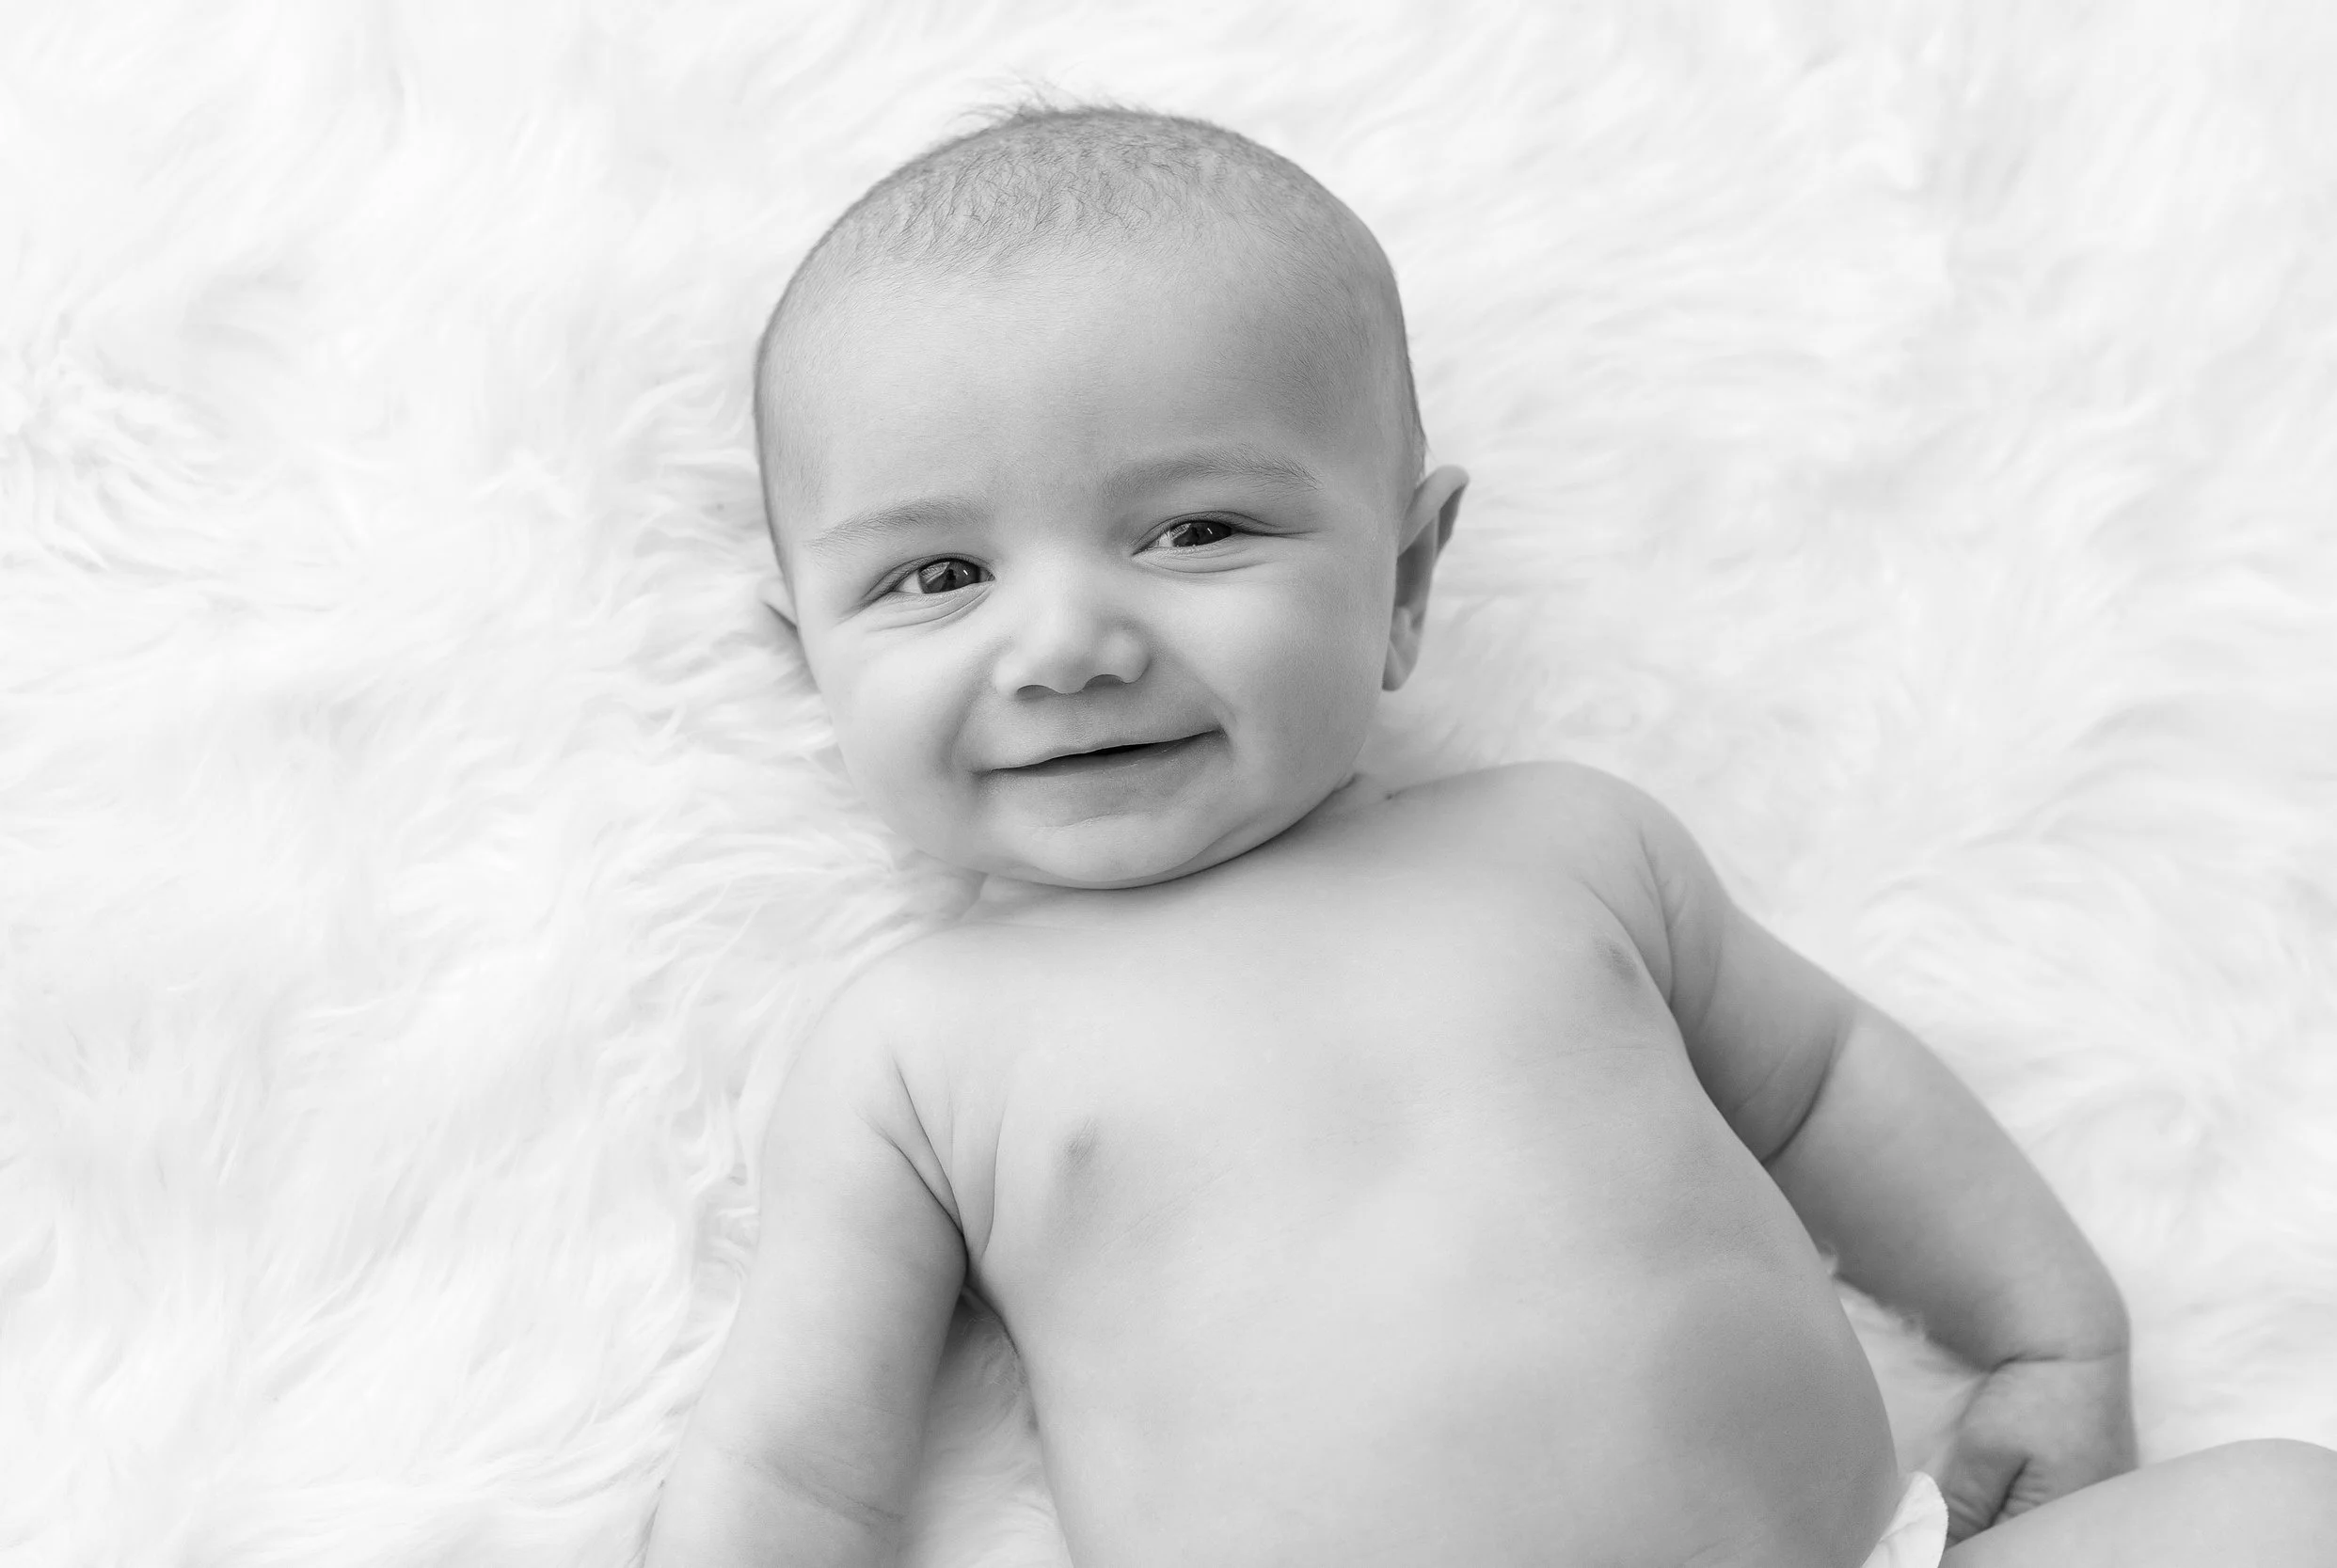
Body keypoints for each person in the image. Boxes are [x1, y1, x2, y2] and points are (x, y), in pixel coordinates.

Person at [644, 101, 2337, 1567]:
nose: (1071, 639)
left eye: (1195, 527)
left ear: (1401, 584)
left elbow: (1828, 1085)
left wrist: (2049, 1339)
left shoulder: (1565, 849)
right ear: (811, 656)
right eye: (938, 575)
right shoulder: (920, 1048)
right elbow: (796, 1465)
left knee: (2282, 1508)